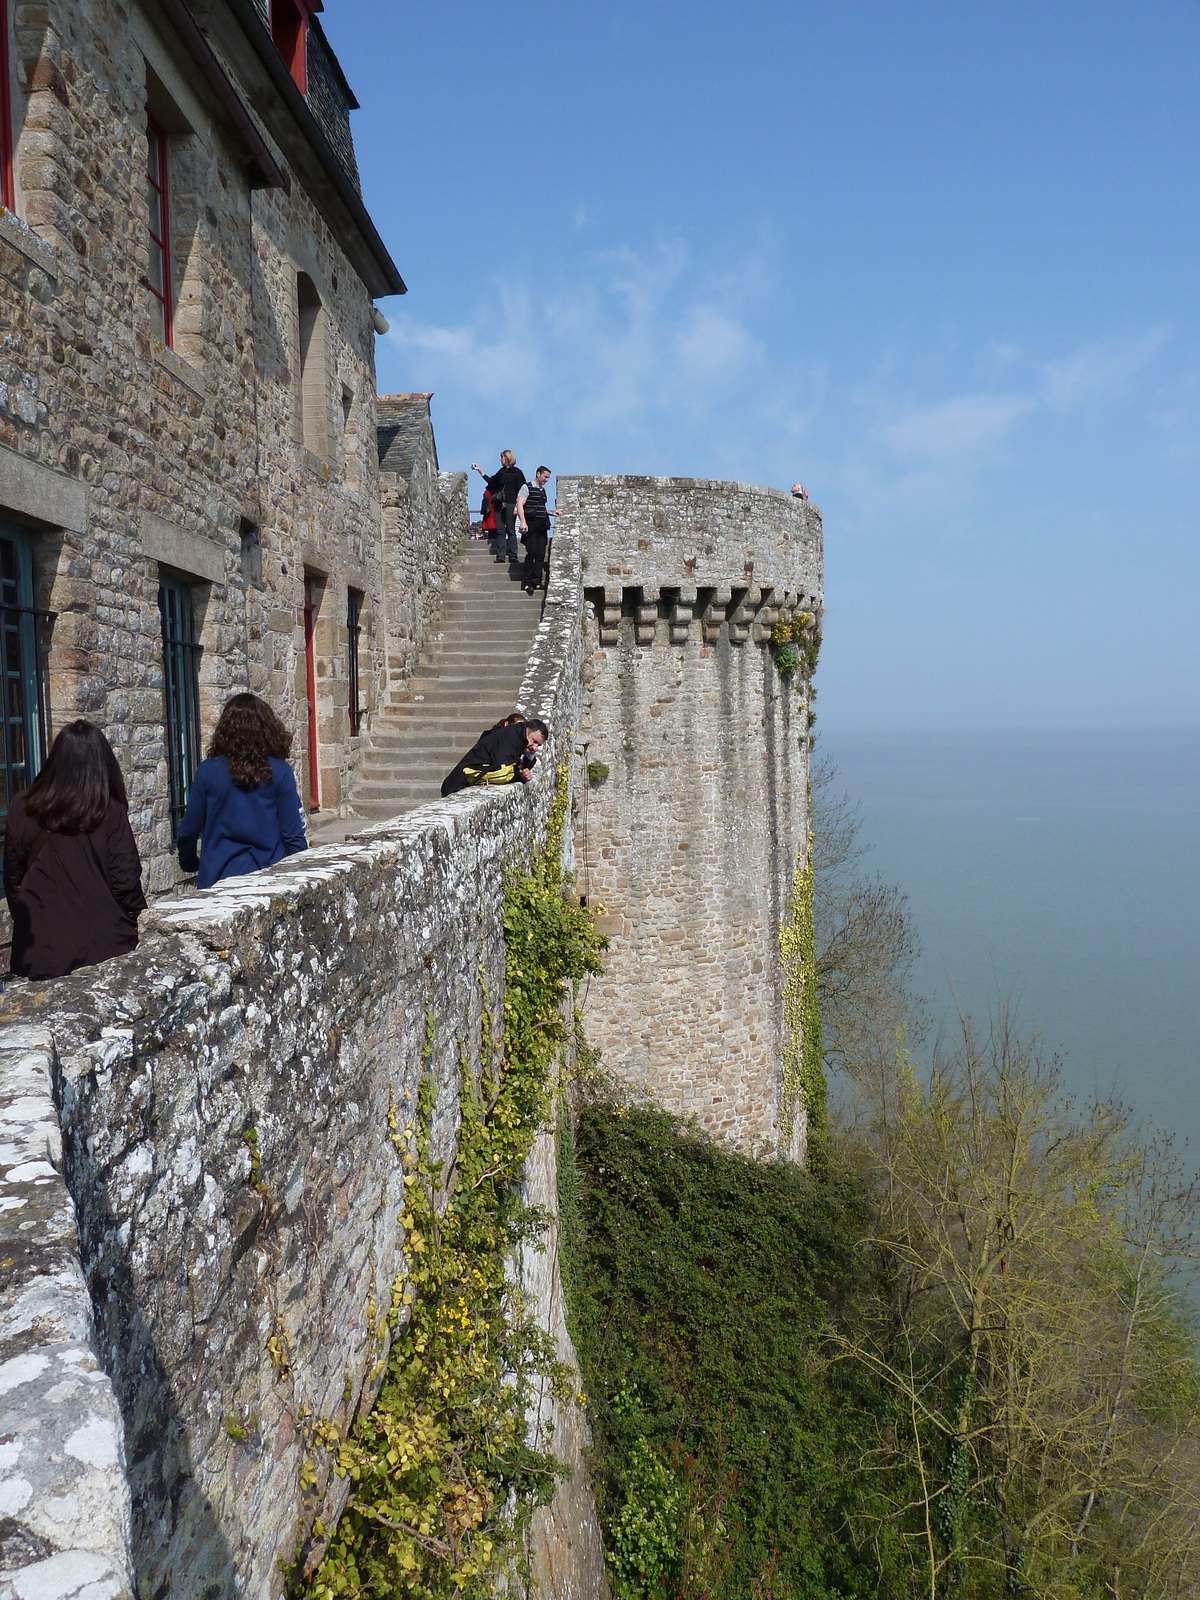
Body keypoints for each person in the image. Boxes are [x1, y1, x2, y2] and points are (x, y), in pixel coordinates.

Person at [3, 720, 147, 980]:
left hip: (41, 953)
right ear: (102, 764)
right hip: (104, 949)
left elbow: (14, 882)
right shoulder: (109, 812)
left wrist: (35, 918)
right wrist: (142, 920)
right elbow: (125, 883)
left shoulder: (22, 808)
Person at [177, 693, 307, 888]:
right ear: (268, 730)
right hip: (269, 880)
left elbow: (188, 830)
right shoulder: (280, 772)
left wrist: (189, 861)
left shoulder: (207, 771)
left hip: (217, 879)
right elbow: (292, 835)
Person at [441, 718, 548, 797]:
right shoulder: (511, 737)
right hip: (458, 785)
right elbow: (502, 772)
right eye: (534, 741)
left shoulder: (519, 736)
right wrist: (520, 776)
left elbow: (513, 766)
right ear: (527, 730)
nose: (535, 748)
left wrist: (528, 758)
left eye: (539, 745)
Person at [471, 451, 525, 563]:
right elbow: (491, 482)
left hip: (511, 503)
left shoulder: (517, 473)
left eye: (501, 457)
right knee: (500, 530)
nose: (500, 460)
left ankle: (513, 555)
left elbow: (521, 490)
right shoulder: (501, 472)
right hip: (499, 504)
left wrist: (517, 506)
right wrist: (480, 471)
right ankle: (500, 556)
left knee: (510, 529)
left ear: (507, 458)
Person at [516, 466, 555, 593]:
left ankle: (537, 581)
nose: (547, 480)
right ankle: (528, 583)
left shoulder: (542, 491)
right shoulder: (526, 487)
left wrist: (552, 512)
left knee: (540, 555)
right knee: (531, 553)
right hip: (531, 524)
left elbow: (541, 507)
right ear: (538, 474)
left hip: (542, 525)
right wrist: (523, 522)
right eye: (545, 476)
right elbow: (520, 504)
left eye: (548, 477)